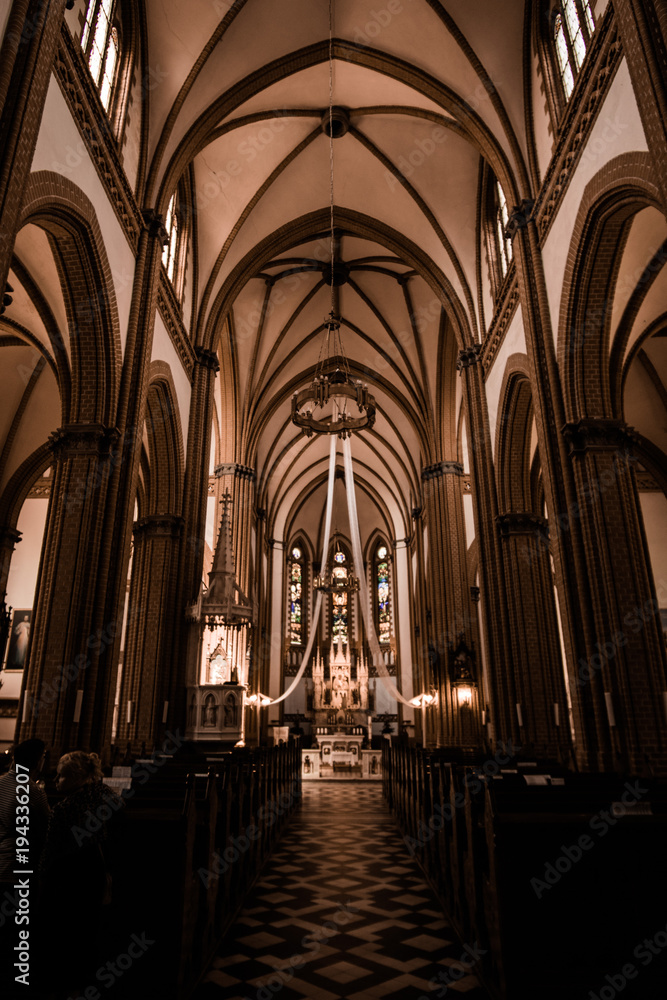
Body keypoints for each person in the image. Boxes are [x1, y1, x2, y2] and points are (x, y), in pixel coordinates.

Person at [37, 751, 124, 996]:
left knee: (68, 927)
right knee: (89, 925)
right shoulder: (108, 795)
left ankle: (64, 979)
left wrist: (41, 876)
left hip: (70, 876)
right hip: (96, 870)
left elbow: (52, 850)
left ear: (77, 778)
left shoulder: (66, 808)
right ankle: (89, 976)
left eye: (61, 777)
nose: (56, 782)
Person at [0, 740, 48, 993]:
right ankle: (17, 982)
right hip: (17, 871)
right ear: (38, 760)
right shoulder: (32, 791)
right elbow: (45, 831)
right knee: (18, 933)